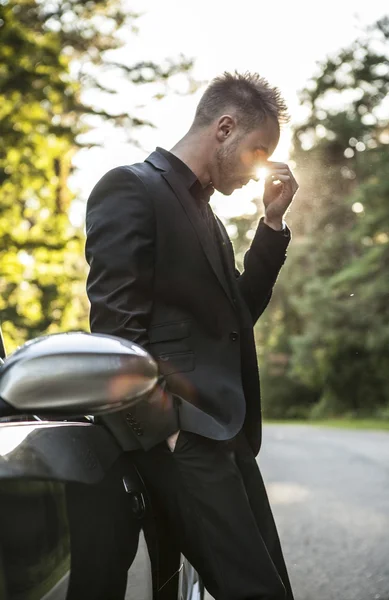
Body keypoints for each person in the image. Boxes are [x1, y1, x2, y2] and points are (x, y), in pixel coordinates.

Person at [85, 71, 298, 600]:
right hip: (181, 440)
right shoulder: (130, 187)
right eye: (258, 150)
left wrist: (271, 226)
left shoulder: (210, 218)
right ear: (224, 128)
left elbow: (236, 317)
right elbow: (117, 332)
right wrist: (169, 433)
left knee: (272, 586)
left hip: (225, 436)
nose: (258, 170)